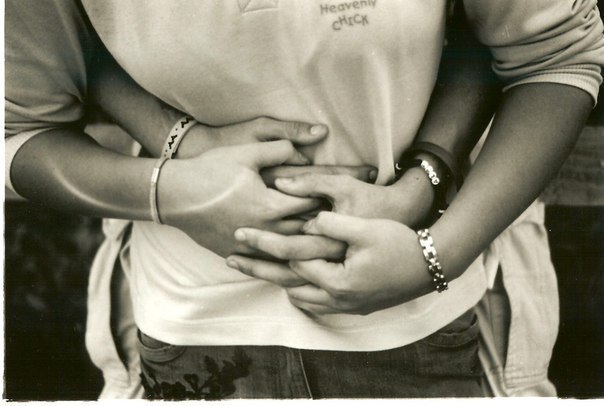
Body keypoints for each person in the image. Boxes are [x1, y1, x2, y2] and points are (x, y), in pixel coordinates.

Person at [5, 0, 604, 399]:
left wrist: (433, 245)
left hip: (432, 322)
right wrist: (177, 184)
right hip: (190, 330)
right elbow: (23, 124)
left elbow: (549, 52)